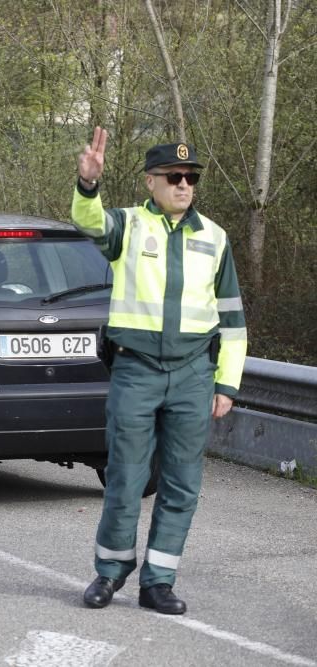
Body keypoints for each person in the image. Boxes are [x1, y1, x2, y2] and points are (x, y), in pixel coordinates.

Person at [72, 128, 247, 614]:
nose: (184, 184)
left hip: (194, 374)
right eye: (174, 176)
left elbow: (232, 318)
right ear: (151, 182)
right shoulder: (128, 226)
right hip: (136, 370)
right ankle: (109, 574)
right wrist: (88, 185)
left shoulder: (214, 237)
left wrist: (226, 382)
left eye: (191, 177)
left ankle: (159, 582)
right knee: (125, 478)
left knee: (181, 483)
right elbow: (88, 222)